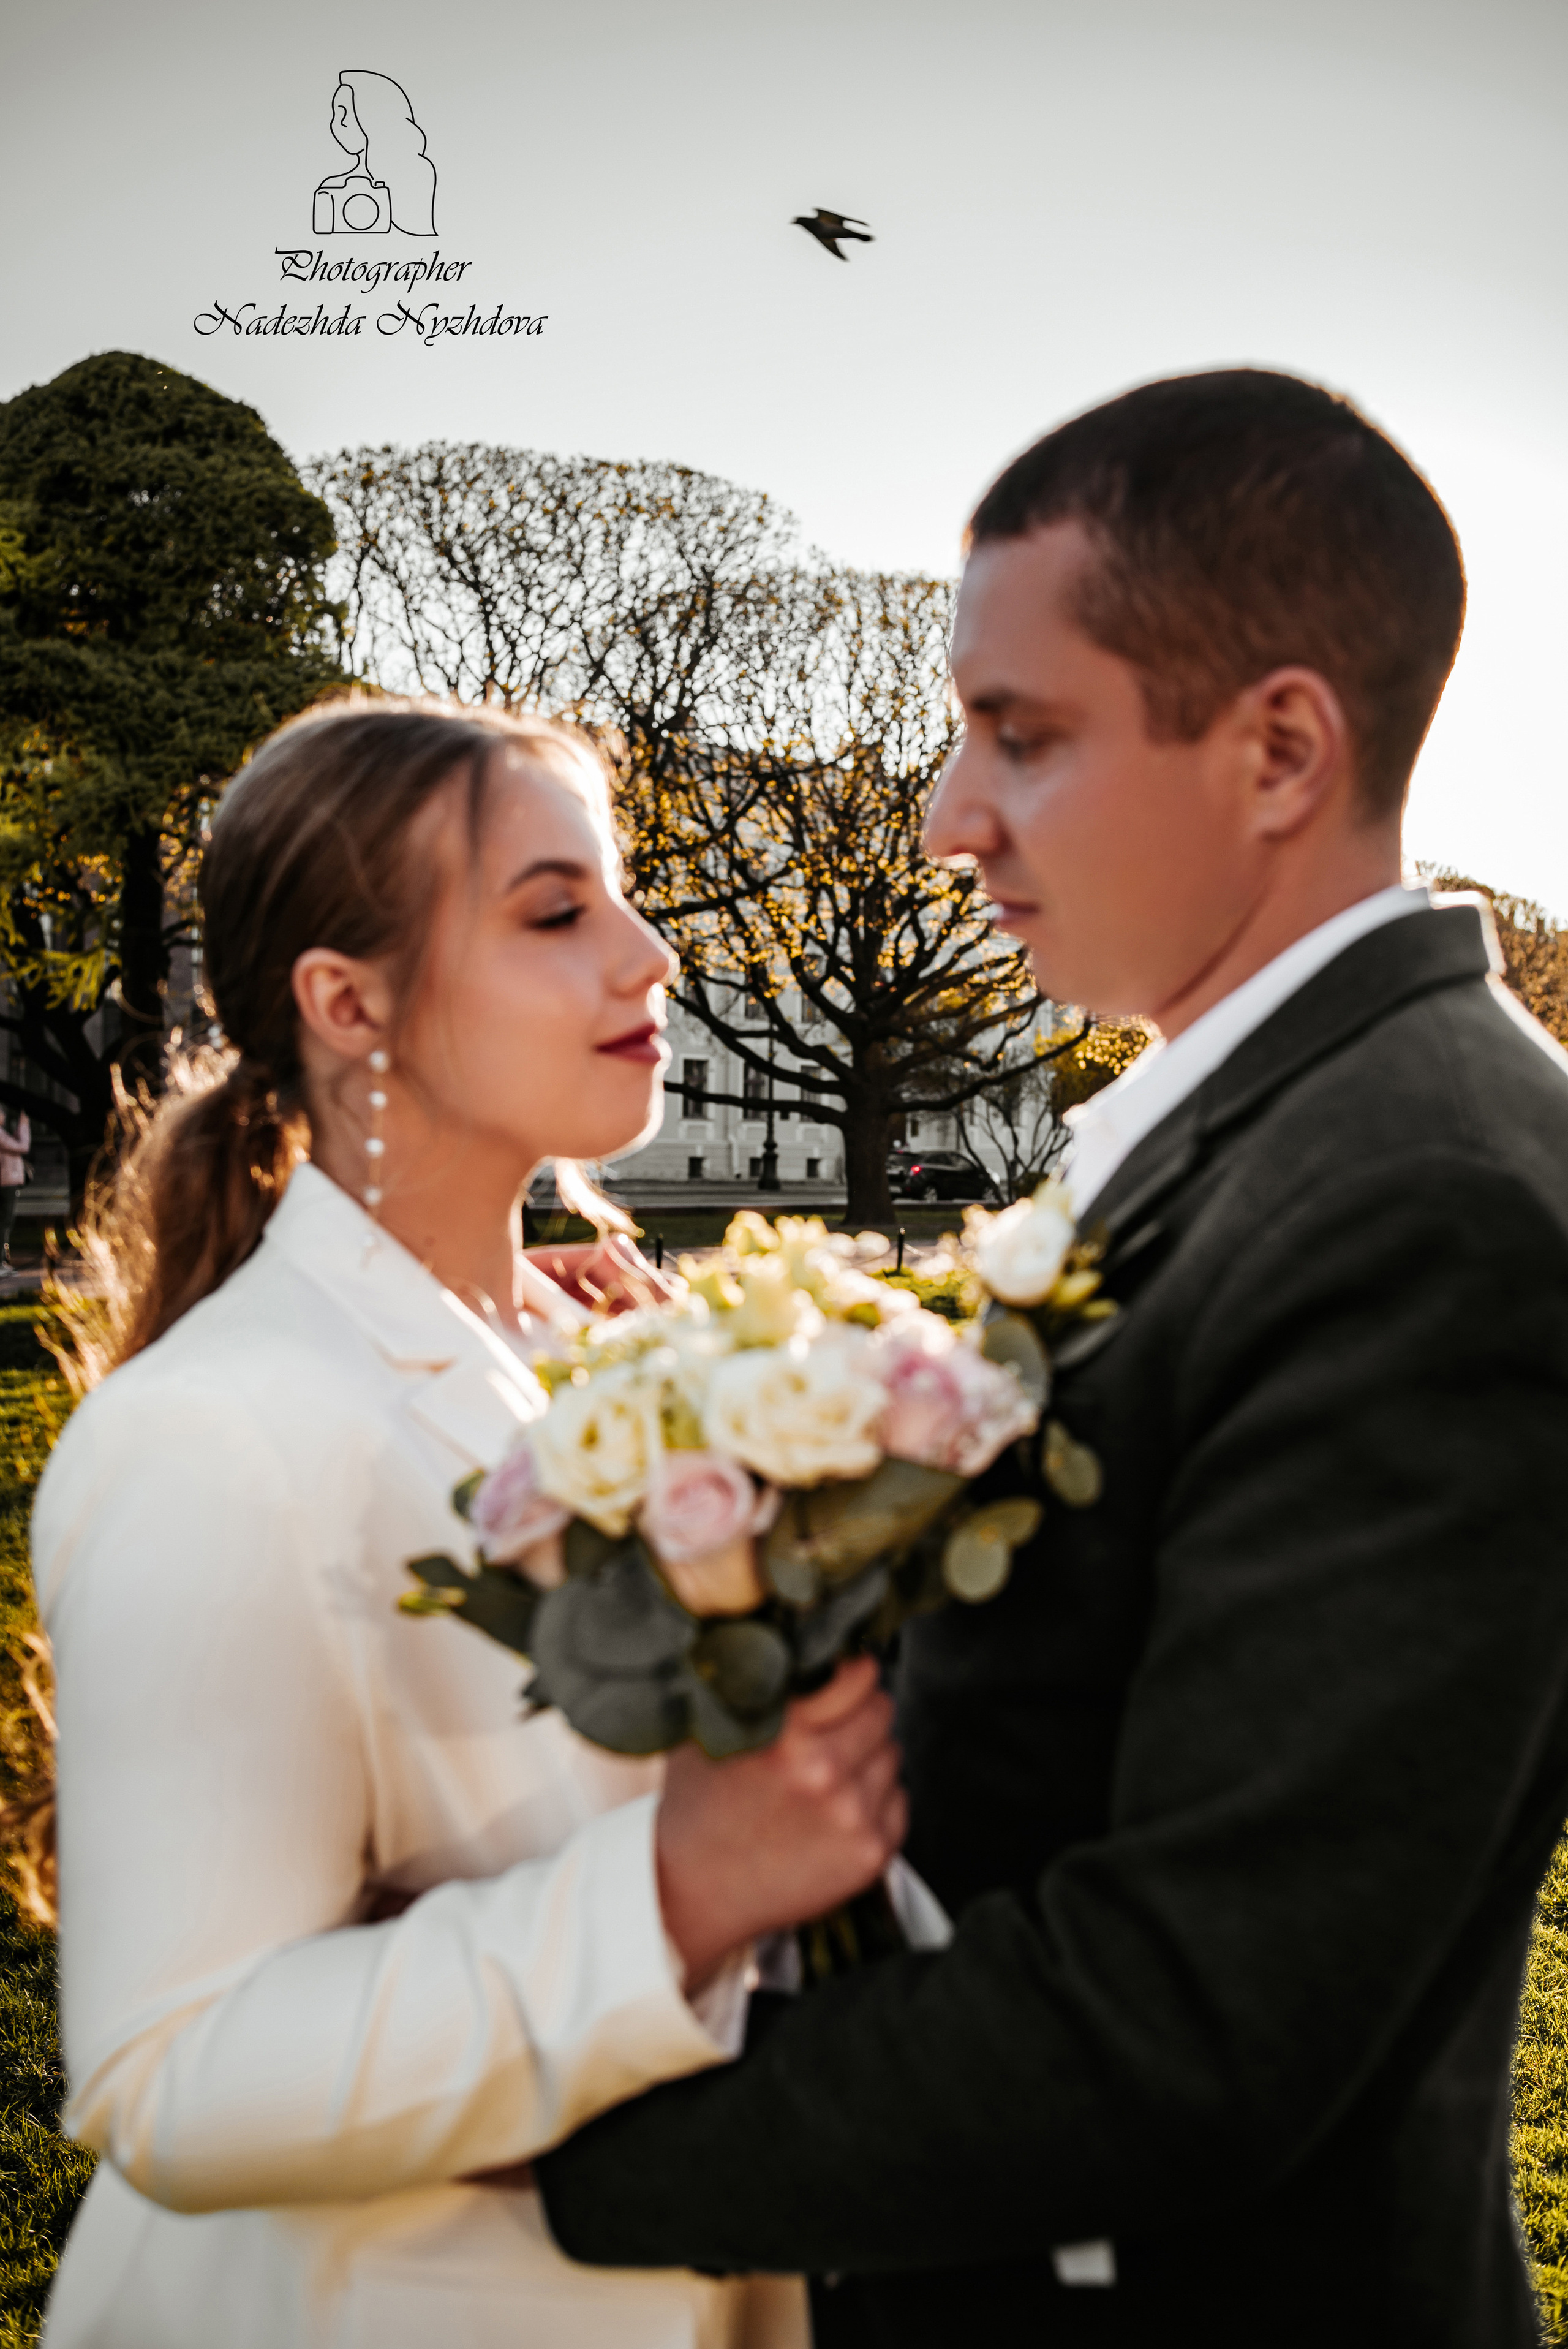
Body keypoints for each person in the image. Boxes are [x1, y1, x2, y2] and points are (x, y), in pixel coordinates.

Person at [535, 370, 1568, 2347]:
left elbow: (1192, 2014)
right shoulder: (1271, 1122)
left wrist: (507, 2147)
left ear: (1277, 747)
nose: (948, 820)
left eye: (1021, 736)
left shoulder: (1432, 1197)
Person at [32, 698, 905, 2349]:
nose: (650, 956)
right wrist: (678, 1895)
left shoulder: (604, 1360)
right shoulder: (213, 1438)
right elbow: (170, 2073)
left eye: (626, 895)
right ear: (349, 1003)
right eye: (557, 913)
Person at [313, 70, 436, 237]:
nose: (338, 122)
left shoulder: (333, 186)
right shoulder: (332, 188)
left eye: (341, 112)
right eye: (336, 112)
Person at [0, 1105, 29, 1268]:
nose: (3, 1117)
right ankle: (1, 1262)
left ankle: (3, 1260)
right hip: (6, 1184)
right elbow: (22, 1146)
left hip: (6, 1182)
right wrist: (24, 1125)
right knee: (4, 1223)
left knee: (4, 1223)